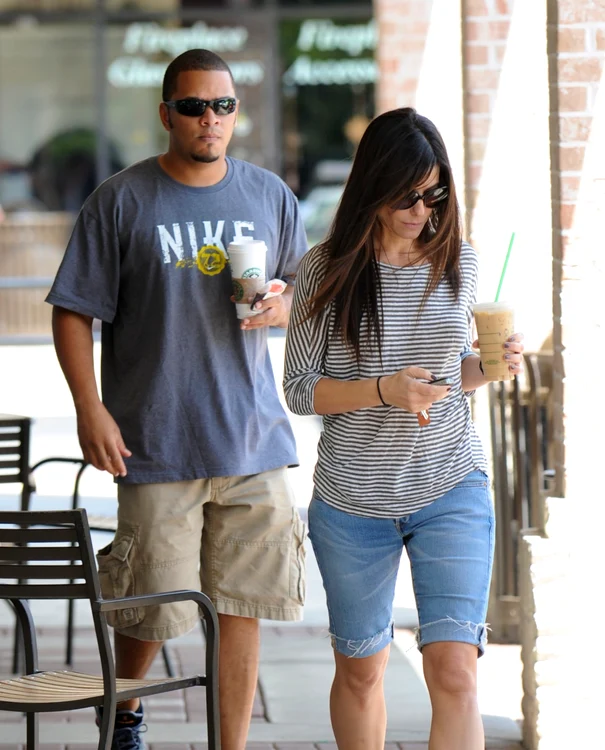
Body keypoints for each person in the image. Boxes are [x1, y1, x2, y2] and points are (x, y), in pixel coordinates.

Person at [46, 48, 308, 750]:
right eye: (193, 106)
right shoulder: (122, 200)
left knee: (241, 606)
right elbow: (73, 311)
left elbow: (298, 294)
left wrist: (278, 307)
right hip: (155, 438)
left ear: (235, 112)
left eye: (222, 105)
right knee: (149, 609)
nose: (209, 119)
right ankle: (125, 709)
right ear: (166, 114)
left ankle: (230, 744)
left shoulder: (268, 196)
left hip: (252, 438)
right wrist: (89, 408)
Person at [283, 107, 525, 750]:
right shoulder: (324, 272)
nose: (422, 210)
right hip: (352, 504)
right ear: (373, 187)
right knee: (362, 671)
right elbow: (300, 390)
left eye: (434, 194)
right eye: (408, 195)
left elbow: (453, 372)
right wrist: (384, 389)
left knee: (455, 670)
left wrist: (488, 367)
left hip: (450, 484)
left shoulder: (460, 264)